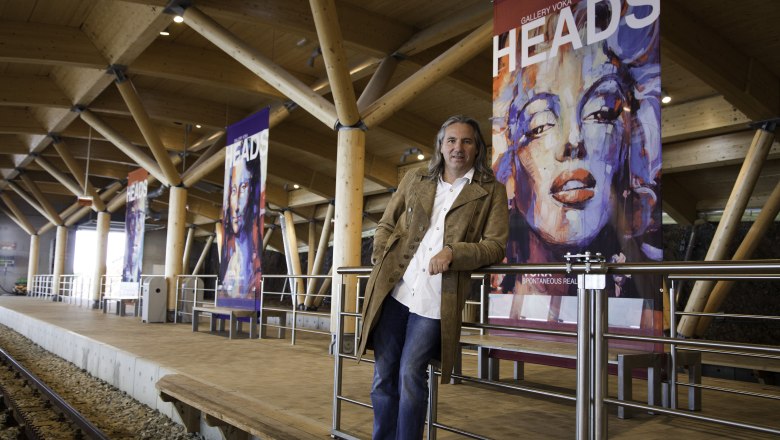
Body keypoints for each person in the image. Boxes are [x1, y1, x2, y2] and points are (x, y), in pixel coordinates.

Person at [492, 2, 662, 310]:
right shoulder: (499, 301)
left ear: (629, 142)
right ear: (510, 165)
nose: (573, 141)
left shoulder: (645, 307)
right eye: (540, 123)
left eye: (600, 112)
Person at [357, 115, 509, 439]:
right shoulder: (415, 179)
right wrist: (380, 257)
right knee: (383, 375)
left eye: (467, 141)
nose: (458, 148)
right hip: (395, 290)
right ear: (441, 145)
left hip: (436, 298)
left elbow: (495, 246)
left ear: (477, 148)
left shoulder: (491, 191)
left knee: (411, 374)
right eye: (451, 140)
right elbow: (385, 224)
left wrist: (454, 252)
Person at [220, 138, 263, 300]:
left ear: (253, 192)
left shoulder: (255, 270)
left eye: (243, 187)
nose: (236, 204)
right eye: (233, 190)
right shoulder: (229, 267)